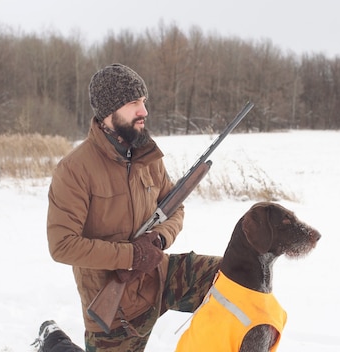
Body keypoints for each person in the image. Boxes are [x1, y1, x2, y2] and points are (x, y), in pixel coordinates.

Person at [41, 63, 221, 352]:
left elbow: (175, 208)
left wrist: (160, 239)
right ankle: (55, 342)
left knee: (234, 278)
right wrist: (131, 256)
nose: (144, 111)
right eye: (133, 103)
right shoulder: (74, 170)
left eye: (144, 102)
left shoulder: (147, 155)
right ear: (107, 112)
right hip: (115, 308)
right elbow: (61, 245)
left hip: (159, 276)